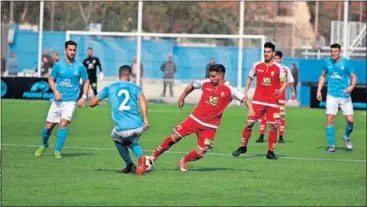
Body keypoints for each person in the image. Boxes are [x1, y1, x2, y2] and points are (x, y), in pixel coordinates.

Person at [138, 64, 254, 173]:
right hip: (194, 119)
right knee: (175, 137)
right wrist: (182, 97)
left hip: (210, 126)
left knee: (201, 153)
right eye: (210, 75)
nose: (210, 78)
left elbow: (245, 99)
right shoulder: (206, 83)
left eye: (213, 76)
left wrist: (251, 109)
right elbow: (192, 85)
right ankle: (152, 158)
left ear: (221, 75)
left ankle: (184, 160)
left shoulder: (230, 89)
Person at [89, 65, 149, 175]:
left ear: (119, 75)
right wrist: (145, 118)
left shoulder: (110, 87)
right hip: (139, 126)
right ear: (129, 76)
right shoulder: (135, 87)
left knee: (117, 137)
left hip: (123, 129)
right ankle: (140, 158)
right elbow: (143, 101)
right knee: (131, 140)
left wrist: (98, 103)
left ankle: (130, 164)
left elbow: (92, 103)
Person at [34, 40, 90, 159]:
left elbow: (86, 81)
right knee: (49, 126)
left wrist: (84, 97)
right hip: (57, 101)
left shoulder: (80, 67)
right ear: (65, 51)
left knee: (63, 123)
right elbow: (51, 79)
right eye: (70, 50)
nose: (72, 52)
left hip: (71, 101)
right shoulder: (58, 66)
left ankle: (57, 151)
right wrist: (55, 91)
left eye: (74, 50)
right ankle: (44, 144)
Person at [232, 42, 287, 160]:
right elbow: (250, 77)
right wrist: (246, 91)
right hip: (258, 101)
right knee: (249, 124)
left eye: (268, 52)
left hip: (273, 102)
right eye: (265, 52)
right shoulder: (257, 65)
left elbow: (284, 82)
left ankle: (270, 152)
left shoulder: (279, 68)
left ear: (273, 53)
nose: (266, 54)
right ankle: (243, 146)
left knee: (274, 126)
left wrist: (280, 90)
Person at [316, 43, 356, 152]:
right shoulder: (326, 62)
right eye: (332, 51)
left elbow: (353, 76)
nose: (333, 53)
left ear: (340, 52)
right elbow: (323, 76)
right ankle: (331, 145)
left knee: (350, 120)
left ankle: (346, 137)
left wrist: (351, 86)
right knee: (330, 118)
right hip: (332, 95)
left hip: (345, 95)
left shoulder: (346, 63)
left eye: (336, 51)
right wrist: (319, 90)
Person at [257, 50, 296, 144]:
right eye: (275, 58)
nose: (277, 60)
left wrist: (293, 92)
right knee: (264, 116)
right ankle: (261, 136)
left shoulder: (285, 69)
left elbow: (290, 81)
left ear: (281, 59)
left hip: (280, 97)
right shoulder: (269, 68)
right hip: (269, 97)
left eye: (278, 58)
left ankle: (281, 137)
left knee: (280, 117)